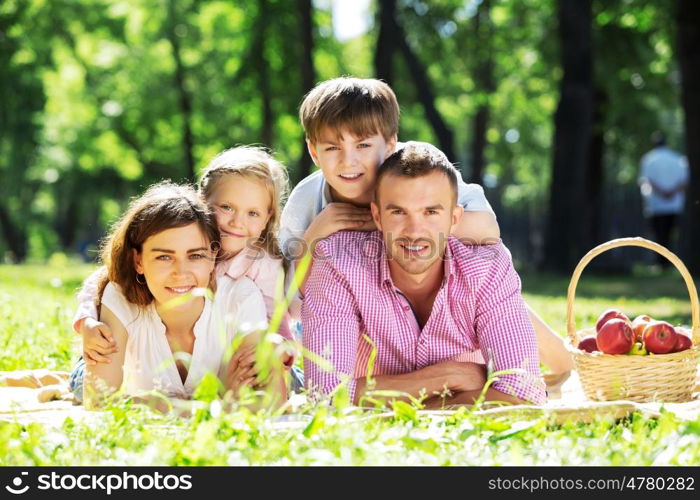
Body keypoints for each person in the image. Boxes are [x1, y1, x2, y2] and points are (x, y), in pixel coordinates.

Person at [280, 76, 572, 378]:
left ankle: (567, 365)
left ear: (390, 144)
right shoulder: (306, 201)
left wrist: (388, 222)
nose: (348, 161)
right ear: (314, 151)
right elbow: (297, 302)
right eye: (332, 148)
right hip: (364, 309)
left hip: (439, 290)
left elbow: (486, 230)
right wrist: (315, 234)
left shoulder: (418, 168)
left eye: (364, 144)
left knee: (489, 284)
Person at [302, 142, 546, 406]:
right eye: (398, 212)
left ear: (454, 219)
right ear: (378, 216)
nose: (414, 230)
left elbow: (524, 392)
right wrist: (449, 376)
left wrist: (386, 406)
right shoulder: (337, 264)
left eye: (430, 212)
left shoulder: (487, 267)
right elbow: (324, 396)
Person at [71, 147, 302, 401]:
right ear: (202, 201)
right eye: (226, 207)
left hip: (253, 347)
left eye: (252, 213)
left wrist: (278, 347)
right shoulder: (178, 230)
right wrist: (86, 321)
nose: (237, 222)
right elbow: (107, 280)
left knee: (293, 382)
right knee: (84, 383)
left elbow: (275, 314)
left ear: (267, 217)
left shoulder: (261, 264)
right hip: (148, 351)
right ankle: (76, 371)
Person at [638, 132, 688, 267]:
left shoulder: (648, 159)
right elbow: (684, 181)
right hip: (675, 204)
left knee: (659, 235)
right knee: (671, 234)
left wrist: (662, 192)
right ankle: (670, 262)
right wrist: (671, 192)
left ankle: (661, 263)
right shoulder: (678, 159)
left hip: (656, 205)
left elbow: (646, 180)